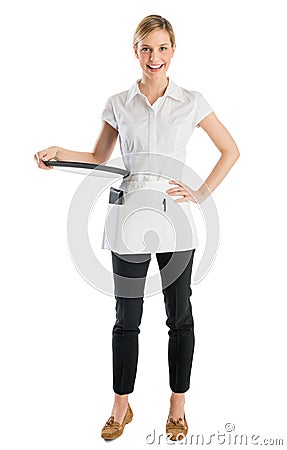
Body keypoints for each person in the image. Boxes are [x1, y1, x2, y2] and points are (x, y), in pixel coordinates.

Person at [34, 14, 240, 441]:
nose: (155, 57)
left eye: (162, 48)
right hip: (128, 219)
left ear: (173, 51)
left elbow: (230, 149)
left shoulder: (192, 101)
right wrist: (59, 151)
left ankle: (177, 407)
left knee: (179, 318)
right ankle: (120, 408)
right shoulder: (118, 102)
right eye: (147, 48)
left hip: (175, 223)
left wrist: (200, 192)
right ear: (136, 51)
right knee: (126, 319)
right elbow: (97, 156)